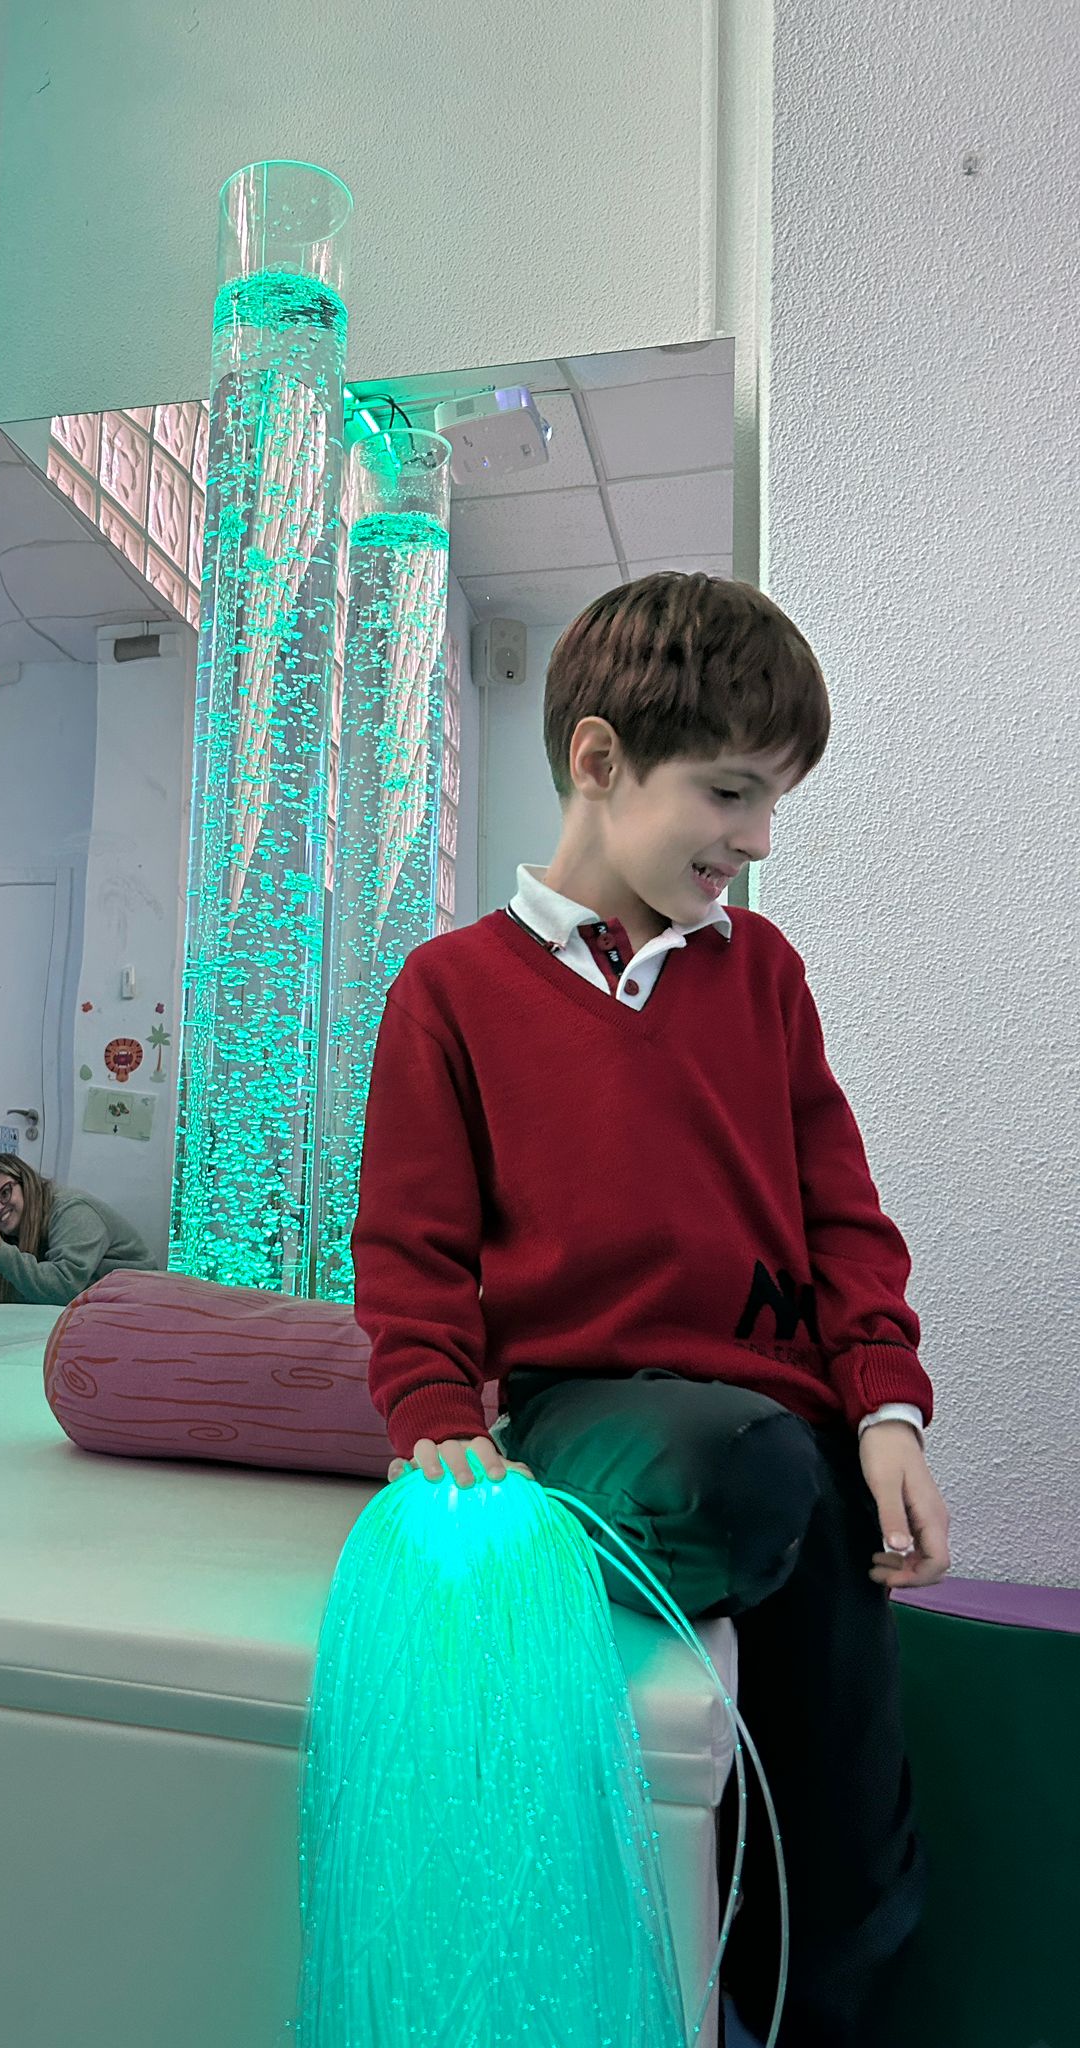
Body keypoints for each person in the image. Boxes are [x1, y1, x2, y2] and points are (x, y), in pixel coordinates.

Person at [351, 572, 951, 2048]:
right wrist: (433, 1415)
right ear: (602, 760)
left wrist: (886, 1406)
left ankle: (814, 1997)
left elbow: (842, 1209)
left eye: (774, 805)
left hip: (790, 1422)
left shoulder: (767, 978)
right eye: (732, 793)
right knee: (742, 1469)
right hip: (596, 1413)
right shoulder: (449, 991)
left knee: (854, 1794)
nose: (757, 840)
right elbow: (412, 1246)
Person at [0, 1150, 156, 1306]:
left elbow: (63, 1287)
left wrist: (0, 1249)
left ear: (26, 1183)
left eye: (5, 1192)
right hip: (95, 1314)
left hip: (138, 1306)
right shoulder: (11, 1237)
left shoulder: (72, 1211)